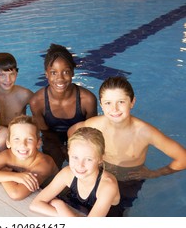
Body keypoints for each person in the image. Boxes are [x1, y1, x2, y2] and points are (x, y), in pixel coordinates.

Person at [68, 76, 186, 211]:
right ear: (101, 104)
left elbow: (183, 158)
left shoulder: (145, 132)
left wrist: (155, 173)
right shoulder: (94, 125)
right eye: (108, 103)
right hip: (95, 174)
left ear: (132, 102)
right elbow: (72, 132)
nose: (114, 109)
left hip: (127, 183)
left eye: (121, 102)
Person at [29, 44, 98, 170]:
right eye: (53, 73)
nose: (60, 78)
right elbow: (45, 131)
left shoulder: (87, 100)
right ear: (46, 74)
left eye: (65, 72)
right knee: (51, 167)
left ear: (72, 72)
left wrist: (72, 148)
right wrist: (62, 147)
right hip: (52, 138)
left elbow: (91, 132)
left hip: (80, 137)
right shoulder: (37, 101)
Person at [30, 127, 120, 217]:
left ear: (100, 158)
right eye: (75, 157)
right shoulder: (67, 174)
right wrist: (67, 215)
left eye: (88, 159)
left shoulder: (107, 186)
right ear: (68, 152)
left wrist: (60, 205)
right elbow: (35, 204)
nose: (80, 165)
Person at [0, 115, 58, 201]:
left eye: (29, 139)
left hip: (62, 197)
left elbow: (16, 194)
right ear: (8, 143)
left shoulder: (44, 163)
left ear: (38, 143)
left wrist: (3, 171)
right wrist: (14, 176)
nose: (23, 144)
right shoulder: (7, 155)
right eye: (17, 139)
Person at [0, 52, 33, 127]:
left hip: (17, 134)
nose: (8, 80)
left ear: (16, 74)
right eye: (2, 75)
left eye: (12, 74)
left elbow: (41, 112)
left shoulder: (25, 95)